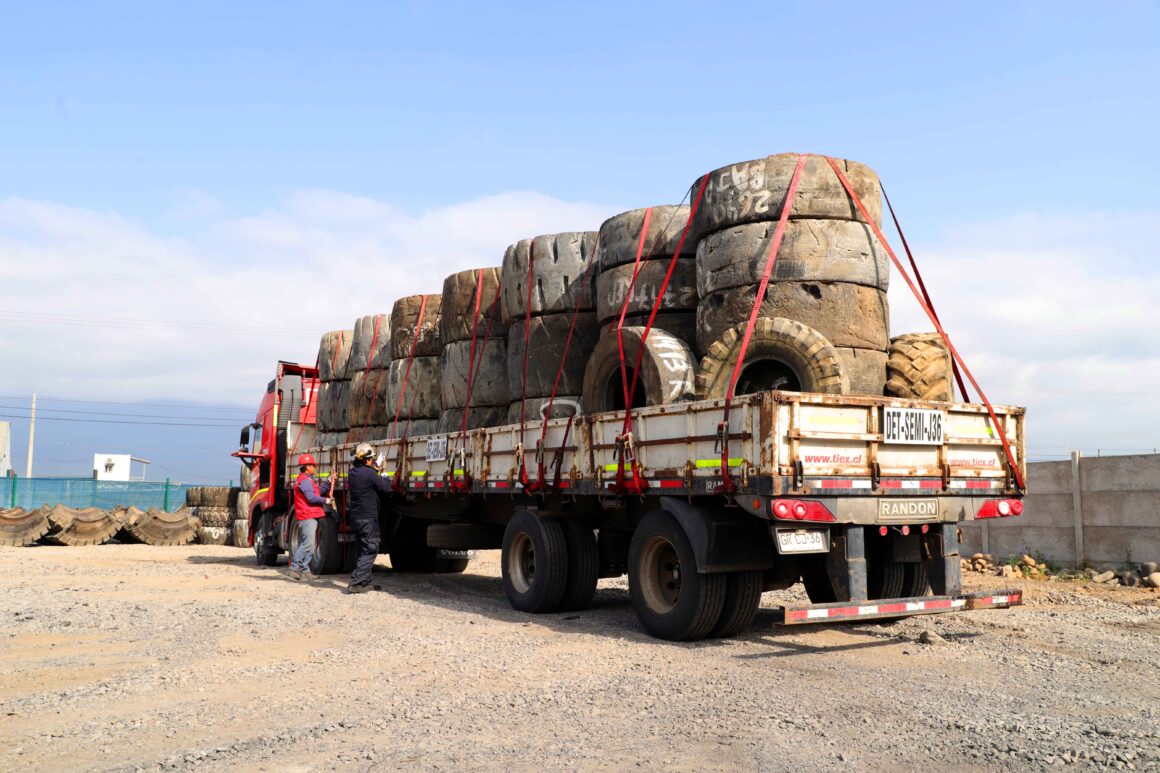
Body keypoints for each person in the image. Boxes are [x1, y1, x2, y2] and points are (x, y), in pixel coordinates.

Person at [345, 442, 392, 593]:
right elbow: (385, 487)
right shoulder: (371, 474)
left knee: (362, 549)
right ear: (366, 459)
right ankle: (356, 582)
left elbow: (367, 476)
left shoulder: (353, 473)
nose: (372, 461)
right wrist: (384, 473)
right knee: (371, 549)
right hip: (368, 518)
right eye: (371, 458)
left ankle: (364, 582)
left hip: (356, 517)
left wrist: (375, 469)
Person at [288, 453, 332, 580]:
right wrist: (326, 501)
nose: (314, 467)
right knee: (307, 544)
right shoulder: (304, 481)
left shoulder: (307, 480)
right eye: (312, 465)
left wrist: (328, 481)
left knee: (311, 544)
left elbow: (318, 491)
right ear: (307, 467)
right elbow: (312, 498)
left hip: (310, 515)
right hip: (307, 516)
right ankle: (294, 568)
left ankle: (305, 571)